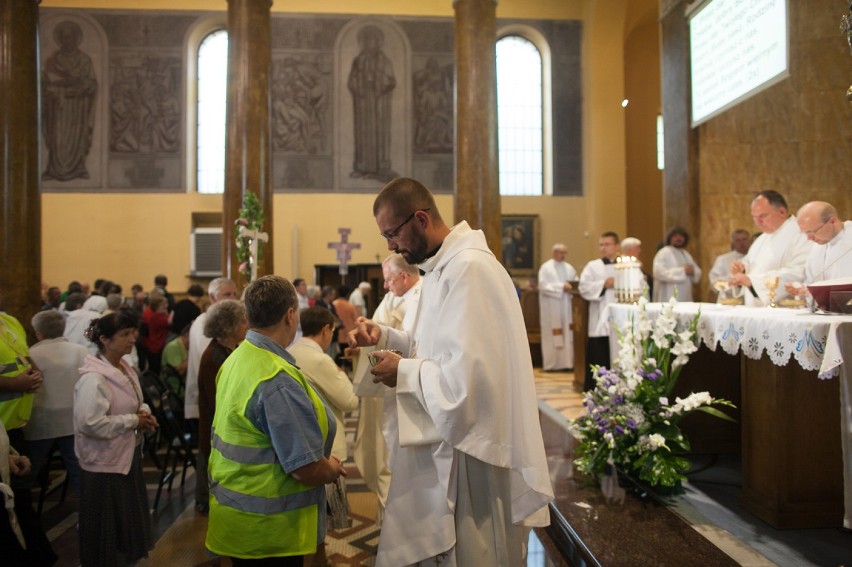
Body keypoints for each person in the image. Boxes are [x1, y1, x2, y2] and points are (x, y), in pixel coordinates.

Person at [347, 178, 552, 566]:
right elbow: (437, 348)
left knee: (474, 550)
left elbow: (469, 382)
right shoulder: (441, 269)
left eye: (392, 233)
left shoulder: (469, 270)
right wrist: (386, 336)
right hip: (452, 441)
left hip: (471, 451)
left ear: (420, 218)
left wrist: (404, 372)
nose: (391, 246)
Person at [206, 276, 346, 565]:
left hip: (236, 511)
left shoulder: (237, 357)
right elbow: (305, 468)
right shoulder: (275, 379)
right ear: (290, 315)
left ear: (248, 315)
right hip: (268, 528)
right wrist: (330, 470)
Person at [74, 310, 159, 566]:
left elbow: (136, 401)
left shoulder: (124, 367)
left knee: (126, 518)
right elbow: (89, 423)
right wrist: (134, 420)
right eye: (124, 334)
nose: (132, 339)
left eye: (132, 333)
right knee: (105, 525)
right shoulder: (94, 378)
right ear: (104, 340)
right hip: (104, 462)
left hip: (125, 454)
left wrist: (144, 413)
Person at [352, 252, 421, 526]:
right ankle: (388, 520)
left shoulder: (424, 296)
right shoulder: (393, 297)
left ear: (404, 276)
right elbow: (381, 333)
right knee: (383, 453)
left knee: (402, 460)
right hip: (387, 389)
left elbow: (415, 344)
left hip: (409, 389)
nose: (385, 286)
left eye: (389, 279)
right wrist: (366, 339)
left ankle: (404, 523)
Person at [184, 277, 237, 513]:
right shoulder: (209, 335)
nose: (233, 298)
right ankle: (205, 499)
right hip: (211, 404)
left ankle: (207, 497)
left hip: (210, 401)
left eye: (235, 294)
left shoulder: (220, 344)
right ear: (213, 296)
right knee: (207, 450)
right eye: (227, 295)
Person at [24, 311, 88, 497]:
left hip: (42, 420)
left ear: (38, 333)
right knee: (78, 472)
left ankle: (23, 511)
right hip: (72, 419)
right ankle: (87, 518)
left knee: (29, 470)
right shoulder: (81, 351)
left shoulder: (31, 354)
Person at [196, 299, 248, 516]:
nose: (247, 326)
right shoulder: (215, 357)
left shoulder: (225, 351)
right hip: (215, 430)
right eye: (243, 322)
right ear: (230, 327)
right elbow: (219, 401)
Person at [730, 190, 812, 306]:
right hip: (757, 307)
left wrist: (753, 281)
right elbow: (749, 265)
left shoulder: (801, 234)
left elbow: (798, 272)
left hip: (786, 309)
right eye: (754, 217)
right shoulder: (762, 238)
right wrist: (741, 268)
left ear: (782, 212)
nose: (758, 222)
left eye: (762, 216)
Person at [41, 19, 97, 182]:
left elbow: (93, 84)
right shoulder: (53, 59)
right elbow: (45, 82)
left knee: (77, 135)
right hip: (58, 106)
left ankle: (78, 167)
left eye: (70, 37)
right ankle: (54, 169)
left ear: (75, 38)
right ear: (60, 39)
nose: (68, 41)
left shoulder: (85, 59)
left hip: (78, 106)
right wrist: (56, 87)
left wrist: (80, 86)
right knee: (57, 136)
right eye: (64, 38)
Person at [347, 24, 397, 181]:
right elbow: (352, 80)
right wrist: (360, 88)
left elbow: (391, 81)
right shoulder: (358, 60)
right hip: (363, 102)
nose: (370, 43)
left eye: (373, 40)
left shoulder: (385, 61)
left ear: (378, 42)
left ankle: (381, 168)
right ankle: (362, 168)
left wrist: (380, 85)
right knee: (363, 133)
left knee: (379, 134)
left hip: (379, 101)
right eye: (367, 40)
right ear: (363, 42)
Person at [578, 231, 620, 391]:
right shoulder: (593, 266)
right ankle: (598, 391)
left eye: (607, 244)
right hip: (599, 320)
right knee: (599, 356)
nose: (603, 248)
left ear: (616, 246)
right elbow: (583, 288)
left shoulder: (625, 265)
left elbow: (641, 286)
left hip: (620, 320)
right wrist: (603, 284)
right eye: (601, 244)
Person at [784, 201, 852, 295]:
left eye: (813, 231)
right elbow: (812, 281)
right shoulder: (817, 247)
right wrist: (804, 290)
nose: (809, 238)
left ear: (832, 221)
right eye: (806, 233)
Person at [537, 243, 578, 371]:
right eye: (560, 252)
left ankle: (568, 363)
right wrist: (561, 287)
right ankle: (552, 364)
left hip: (566, 306)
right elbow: (543, 286)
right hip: (552, 306)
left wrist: (571, 287)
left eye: (565, 252)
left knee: (567, 333)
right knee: (553, 334)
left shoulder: (569, 268)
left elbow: (575, 282)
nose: (563, 255)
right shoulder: (546, 268)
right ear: (554, 253)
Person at [652, 226, 702, 302]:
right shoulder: (663, 253)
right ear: (670, 238)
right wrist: (682, 271)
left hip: (685, 295)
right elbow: (658, 273)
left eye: (681, 236)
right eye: (675, 236)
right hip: (668, 294)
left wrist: (693, 271)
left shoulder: (686, 254)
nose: (679, 239)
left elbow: (697, 271)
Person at [708, 229, 751, 298]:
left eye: (744, 239)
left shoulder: (753, 258)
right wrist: (732, 278)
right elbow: (714, 281)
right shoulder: (723, 259)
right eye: (738, 240)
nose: (742, 243)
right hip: (728, 297)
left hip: (750, 297)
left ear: (749, 241)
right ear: (733, 242)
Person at [139, 292, 170, 375]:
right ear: (157, 305)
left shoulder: (157, 315)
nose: (166, 306)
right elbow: (170, 322)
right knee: (155, 371)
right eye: (164, 304)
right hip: (157, 347)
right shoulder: (157, 317)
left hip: (154, 346)